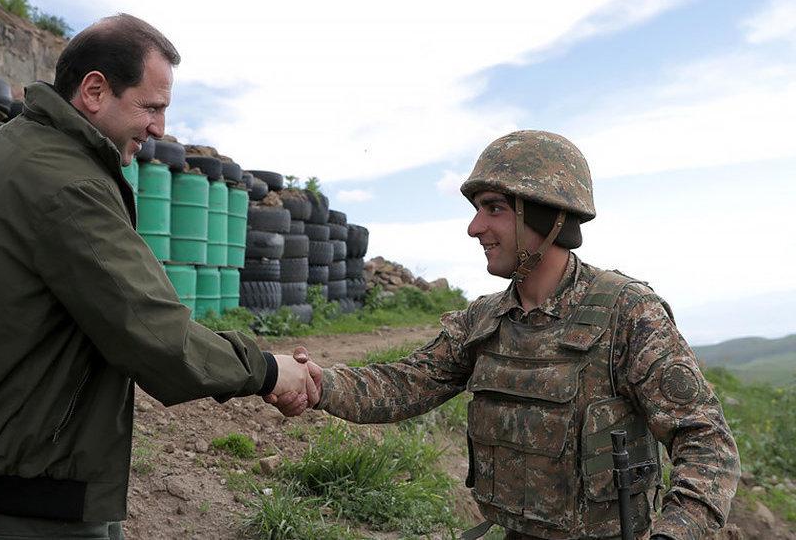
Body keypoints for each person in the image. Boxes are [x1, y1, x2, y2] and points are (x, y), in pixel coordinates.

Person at [0, 14, 316, 540]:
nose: (159, 129)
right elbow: (153, 331)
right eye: (151, 107)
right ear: (94, 91)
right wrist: (267, 370)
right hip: (31, 471)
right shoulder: (68, 185)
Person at [274, 130, 740, 540]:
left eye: (494, 209)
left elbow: (707, 444)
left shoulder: (627, 313)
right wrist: (320, 383)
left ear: (545, 216)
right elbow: (405, 383)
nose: (475, 227)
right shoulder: (485, 320)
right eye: (478, 210)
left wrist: (672, 533)